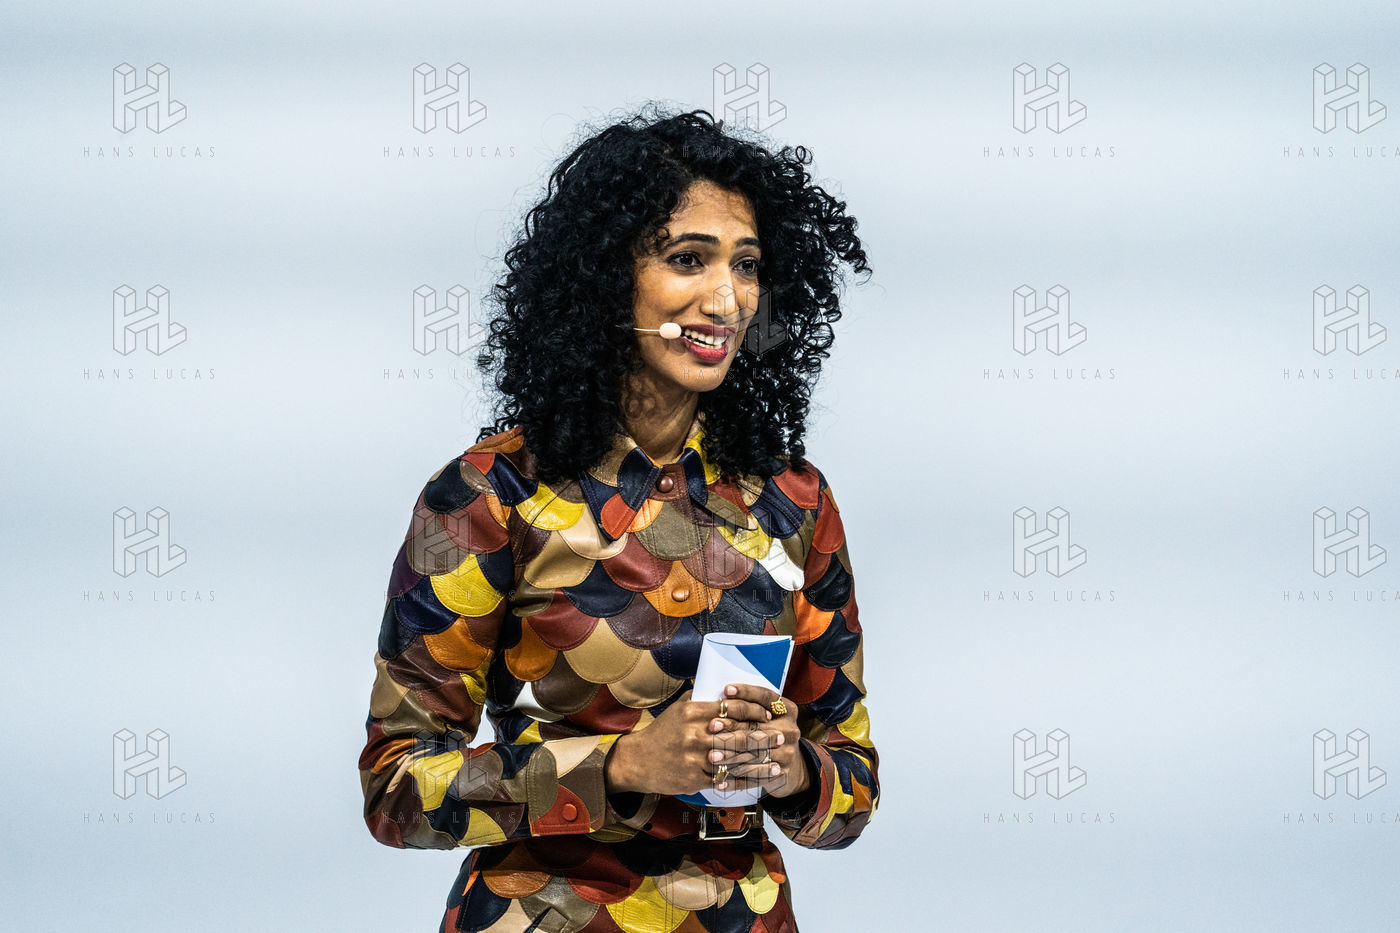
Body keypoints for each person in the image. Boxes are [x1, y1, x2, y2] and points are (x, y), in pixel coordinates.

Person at [357, 105, 879, 933]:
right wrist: (622, 765)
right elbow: (396, 789)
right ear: (605, 278)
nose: (727, 298)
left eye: (747, 266)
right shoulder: (488, 495)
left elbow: (852, 790)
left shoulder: (795, 500)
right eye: (687, 259)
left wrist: (795, 769)